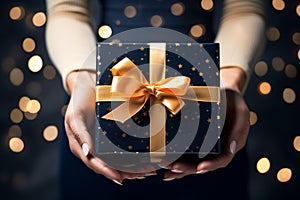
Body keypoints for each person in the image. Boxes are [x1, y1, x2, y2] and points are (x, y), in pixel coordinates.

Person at [45, 0, 265, 199]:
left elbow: (244, 8)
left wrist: (230, 80)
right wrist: (82, 81)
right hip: (100, 106)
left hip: (207, 107)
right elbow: (68, 10)